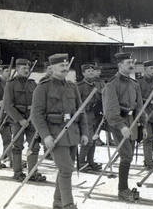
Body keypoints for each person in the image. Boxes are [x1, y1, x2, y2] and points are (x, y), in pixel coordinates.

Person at [31, 53, 89, 209]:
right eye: (61, 66)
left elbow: (80, 111)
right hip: (55, 135)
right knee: (67, 169)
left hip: (72, 135)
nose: (65, 68)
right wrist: (46, 136)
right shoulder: (42, 88)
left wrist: (84, 132)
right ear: (52, 68)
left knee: (65, 169)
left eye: (66, 66)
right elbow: (36, 115)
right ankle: (68, 204)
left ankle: (58, 203)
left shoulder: (72, 87)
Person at [102, 52, 147, 201]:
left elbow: (140, 107)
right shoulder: (111, 85)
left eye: (132, 62)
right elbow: (111, 111)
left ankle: (124, 187)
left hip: (133, 122)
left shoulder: (134, 84)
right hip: (118, 123)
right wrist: (122, 127)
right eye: (128, 62)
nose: (131, 64)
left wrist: (143, 126)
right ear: (120, 65)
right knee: (126, 155)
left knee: (129, 155)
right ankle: (122, 190)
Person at [3, 58, 46, 182]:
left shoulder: (32, 84)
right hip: (17, 120)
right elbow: (8, 105)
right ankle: (18, 172)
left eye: (28, 68)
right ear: (17, 69)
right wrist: (20, 119)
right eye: (24, 68)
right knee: (17, 146)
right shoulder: (10, 84)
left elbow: (39, 101)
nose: (26, 70)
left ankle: (33, 172)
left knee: (34, 145)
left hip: (32, 119)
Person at [77, 63, 105, 172]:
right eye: (88, 71)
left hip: (96, 116)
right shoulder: (79, 86)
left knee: (93, 140)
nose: (91, 72)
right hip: (85, 116)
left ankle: (90, 161)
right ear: (83, 73)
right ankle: (81, 163)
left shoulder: (97, 85)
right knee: (87, 141)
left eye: (92, 71)